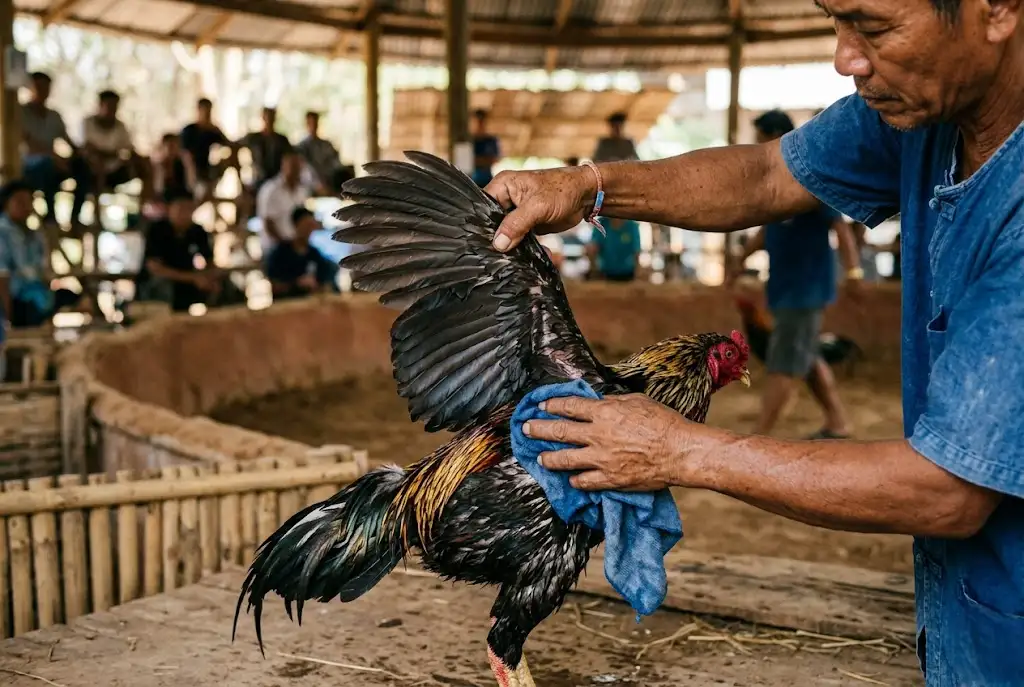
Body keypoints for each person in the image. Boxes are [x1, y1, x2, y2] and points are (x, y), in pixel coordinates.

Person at [483, 1, 1024, 683]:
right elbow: (768, 173)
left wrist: (678, 449)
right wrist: (588, 185)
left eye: (874, 27)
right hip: (963, 625)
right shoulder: (924, 112)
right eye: (834, 21)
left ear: (996, 8)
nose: (845, 58)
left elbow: (946, 491)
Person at [728, 109, 860, 440]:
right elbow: (767, 232)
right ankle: (838, 422)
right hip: (787, 287)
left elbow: (840, 227)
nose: (757, 145)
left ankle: (759, 436)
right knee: (807, 356)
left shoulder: (809, 175)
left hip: (804, 289)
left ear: (776, 136)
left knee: (784, 362)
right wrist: (741, 258)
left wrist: (854, 271)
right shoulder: (777, 182)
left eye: (761, 138)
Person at [0, 180, 82, 327]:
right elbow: (2, 278)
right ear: (6, 204)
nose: (26, 207)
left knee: (77, 298)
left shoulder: (34, 235)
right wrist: (7, 320)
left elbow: (43, 273)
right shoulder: (3, 233)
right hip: (14, 302)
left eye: (29, 202)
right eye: (20, 202)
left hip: (35, 298)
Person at [134, 190, 231, 313]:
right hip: (159, 284)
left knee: (224, 285)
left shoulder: (197, 231)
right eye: (181, 208)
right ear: (170, 209)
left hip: (188, 281)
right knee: (164, 286)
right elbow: (154, 268)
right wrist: (192, 278)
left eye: (189, 209)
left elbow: (209, 261)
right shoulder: (156, 230)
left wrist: (210, 277)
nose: (185, 213)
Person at [19, 72, 89, 228]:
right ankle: (50, 215)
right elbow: (29, 144)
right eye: (38, 87)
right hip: (29, 167)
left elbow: (68, 140)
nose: (42, 91)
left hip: (53, 163)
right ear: (30, 88)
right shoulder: (20, 113)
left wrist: (80, 155)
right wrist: (54, 156)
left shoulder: (54, 116)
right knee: (47, 165)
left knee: (82, 166)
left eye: (46, 87)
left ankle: (75, 218)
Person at [80, 90, 151, 207]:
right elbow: (87, 148)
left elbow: (129, 149)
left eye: (115, 106)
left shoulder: (120, 126)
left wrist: (139, 160)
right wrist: (109, 154)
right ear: (100, 105)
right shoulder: (87, 123)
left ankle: (145, 208)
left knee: (145, 164)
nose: (112, 110)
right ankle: (96, 212)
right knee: (96, 162)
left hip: (115, 168)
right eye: (109, 106)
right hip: (90, 169)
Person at [265, 207, 339, 300]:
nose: (309, 230)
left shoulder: (314, 253)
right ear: (295, 225)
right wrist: (297, 283)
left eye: (311, 226)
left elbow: (325, 278)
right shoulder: (280, 253)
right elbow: (275, 286)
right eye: (305, 225)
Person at [255, 151, 311, 260]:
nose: (296, 170)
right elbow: (268, 223)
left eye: (299, 167)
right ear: (284, 166)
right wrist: (284, 245)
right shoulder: (270, 190)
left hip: (294, 247)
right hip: (274, 248)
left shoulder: (302, 191)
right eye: (293, 166)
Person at [179, 98, 235, 203]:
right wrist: (191, 173)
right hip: (189, 171)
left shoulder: (212, 131)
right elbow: (185, 154)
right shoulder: (189, 130)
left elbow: (229, 144)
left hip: (206, 170)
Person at [239, 107, 293, 198]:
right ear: (263, 118)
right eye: (267, 117)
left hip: (277, 181)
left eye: (271, 117)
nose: (269, 120)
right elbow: (234, 146)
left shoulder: (281, 140)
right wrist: (240, 178)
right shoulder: (254, 138)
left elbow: (290, 158)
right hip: (258, 181)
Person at [295, 111, 353, 196]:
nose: (313, 126)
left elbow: (335, 162)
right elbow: (305, 169)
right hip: (311, 183)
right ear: (306, 124)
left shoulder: (326, 145)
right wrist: (318, 182)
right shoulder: (301, 147)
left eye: (315, 123)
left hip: (329, 180)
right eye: (310, 123)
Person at [587, 216, 641, 282]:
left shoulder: (632, 226)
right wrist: (594, 269)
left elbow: (636, 252)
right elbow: (593, 247)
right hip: (604, 273)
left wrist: (638, 273)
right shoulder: (601, 223)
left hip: (627, 273)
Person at [470, 109, 501, 187]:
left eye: (482, 121)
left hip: (487, 180)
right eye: (478, 121)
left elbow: (495, 159)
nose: (480, 124)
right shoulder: (469, 141)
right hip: (470, 180)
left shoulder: (491, 140)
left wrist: (476, 160)